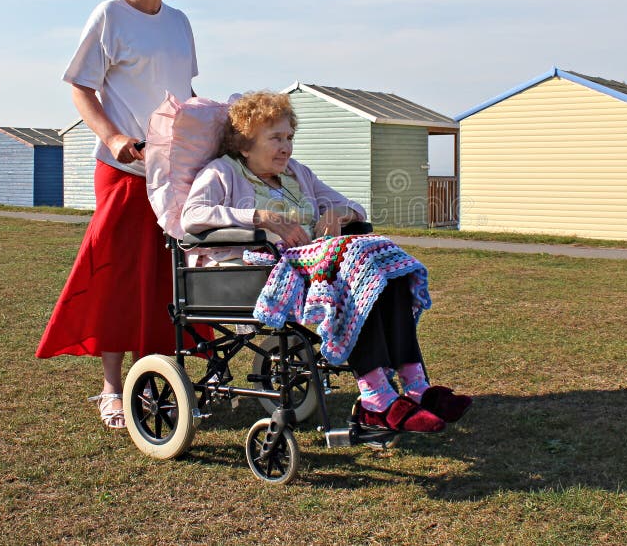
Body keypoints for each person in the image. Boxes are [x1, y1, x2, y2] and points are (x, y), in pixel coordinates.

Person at [180, 92, 472, 433]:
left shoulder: (298, 173)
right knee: (354, 271)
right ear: (245, 144)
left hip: (311, 266)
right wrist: (259, 218)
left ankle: (416, 386)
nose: (285, 147)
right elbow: (192, 217)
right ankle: (376, 400)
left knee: (385, 264)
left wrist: (337, 212)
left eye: (289, 137)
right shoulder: (222, 172)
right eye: (275, 138)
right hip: (255, 268)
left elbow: (356, 210)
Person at [36, 0, 198, 430]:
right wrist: (112, 139)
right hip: (124, 169)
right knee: (116, 273)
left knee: (164, 277)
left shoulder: (180, 22)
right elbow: (81, 89)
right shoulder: (110, 16)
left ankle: (151, 379)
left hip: (172, 171)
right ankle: (111, 389)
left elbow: (184, 91)